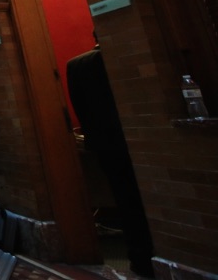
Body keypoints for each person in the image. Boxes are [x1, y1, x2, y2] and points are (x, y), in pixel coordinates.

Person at [67, 40, 155, 278]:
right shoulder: (132, 56)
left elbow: (80, 105)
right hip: (144, 140)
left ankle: (140, 258)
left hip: (104, 143)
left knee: (125, 198)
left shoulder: (77, 65)